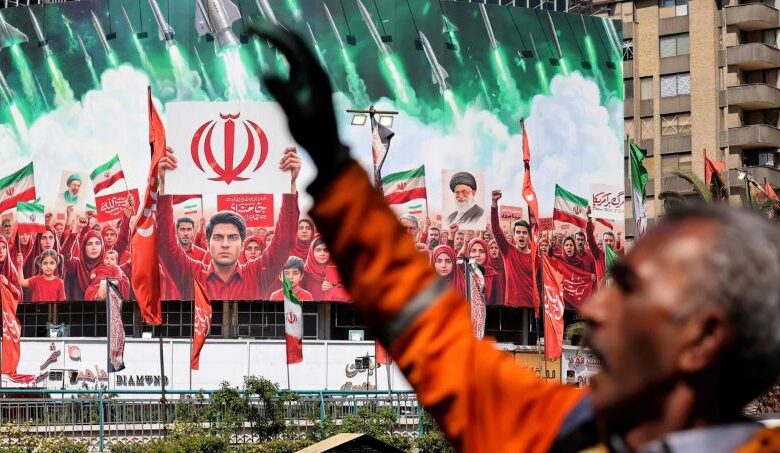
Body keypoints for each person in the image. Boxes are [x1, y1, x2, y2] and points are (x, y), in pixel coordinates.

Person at [252, 23, 780, 452]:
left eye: (629, 288)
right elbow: (431, 332)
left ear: (702, 339)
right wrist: (335, 166)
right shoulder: (556, 431)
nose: (593, 309)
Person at [157, 146, 301, 301]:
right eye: (218, 237)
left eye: (232, 237)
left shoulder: (258, 273)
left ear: (242, 242)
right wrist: (165, 185)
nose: (225, 244)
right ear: (207, 241)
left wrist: (290, 184)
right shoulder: (190, 273)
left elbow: (283, 244)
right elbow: (167, 245)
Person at [489, 190, 533, 308]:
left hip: (532, 306)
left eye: (524, 232)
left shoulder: (536, 256)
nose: (521, 235)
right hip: (511, 306)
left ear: (529, 236)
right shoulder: (508, 251)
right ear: (514, 236)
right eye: (518, 232)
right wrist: (494, 203)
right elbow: (496, 230)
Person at [64, 229, 129, 300]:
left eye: (97, 243)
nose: (94, 248)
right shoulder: (77, 265)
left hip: (107, 309)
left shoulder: (109, 264)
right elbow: (65, 255)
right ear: (84, 247)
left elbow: (122, 242)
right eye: (89, 244)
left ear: (102, 246)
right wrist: (73, 234)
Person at [302, 236, 348, 301]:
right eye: (318, 250)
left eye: (326, 250)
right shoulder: (304, 273)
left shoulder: (340, 271)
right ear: (312, 252)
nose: (322, 254)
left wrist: (334, 289)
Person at [0, 235, 21, 301]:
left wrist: (8, 284)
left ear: (7, 250)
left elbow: (19, 295)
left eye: (3, 247)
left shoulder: (11, 269)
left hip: (7, 309)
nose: (1, 251)